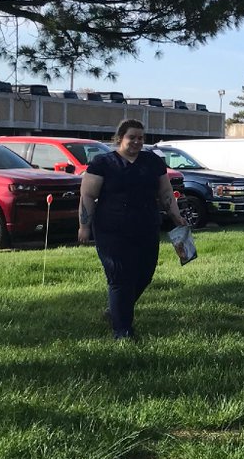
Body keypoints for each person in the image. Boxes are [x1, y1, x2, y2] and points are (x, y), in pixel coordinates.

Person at [78, 119, 186, 340]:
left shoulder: (152, 162)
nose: (137, 142)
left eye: (141, 138)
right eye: (132, 137)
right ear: (120, 138)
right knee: (120, 277)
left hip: (146, 226)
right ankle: (122, 331)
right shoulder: (103, 163)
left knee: (145, 274)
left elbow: (165, 192)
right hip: (112, 229)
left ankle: (116, 310)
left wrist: (176, 216)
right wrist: (84, 226)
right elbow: (88, 195)